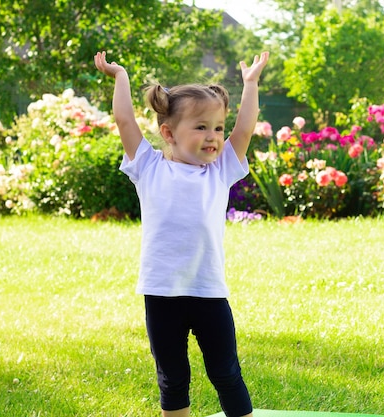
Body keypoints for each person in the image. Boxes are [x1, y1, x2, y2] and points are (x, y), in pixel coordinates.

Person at [94, 49, 269, 417]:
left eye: (217, 128)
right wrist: (121, 76)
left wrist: (250, 84)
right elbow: (125, 121)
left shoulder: (220, 171)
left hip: (208, 292)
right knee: (172, 377)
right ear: (169, 133)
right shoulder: (149, 167)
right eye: (202, 127)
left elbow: (245, 127)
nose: (214, 136)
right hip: (162, 294)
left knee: (226, 372)